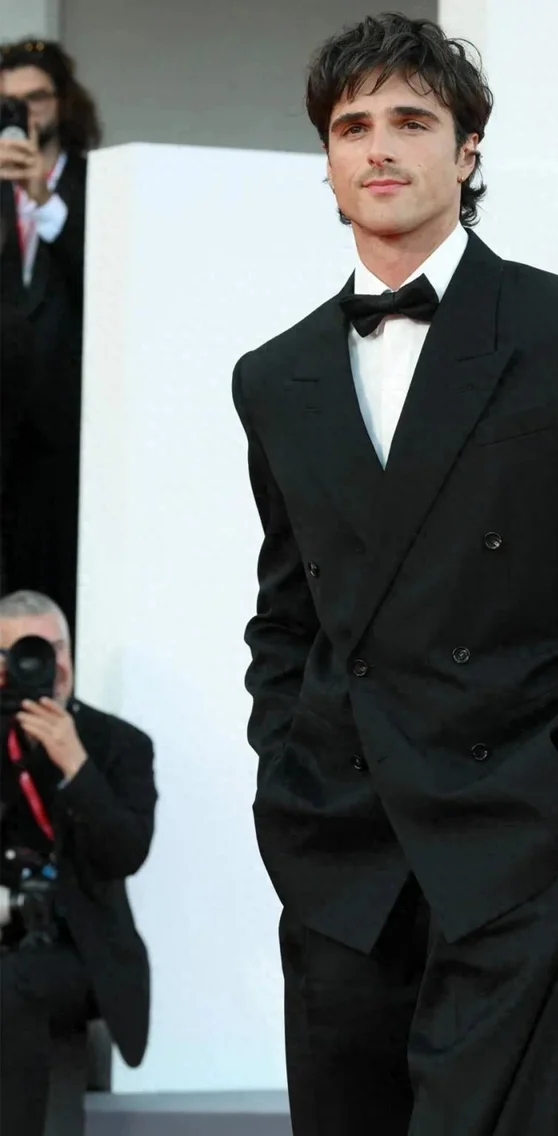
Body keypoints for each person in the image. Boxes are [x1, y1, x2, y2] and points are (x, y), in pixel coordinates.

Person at [231, 14, 558, 1136]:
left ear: (467, 147)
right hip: (338, 848)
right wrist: (284, 763)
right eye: (352, 126)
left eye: (410, 120)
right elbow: (289, 610)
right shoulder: (274, 375)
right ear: (326, 159)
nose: (380, 147)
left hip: (512, 837)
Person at [0, 590, 157, 1136]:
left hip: (86, 949)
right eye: (26, 650)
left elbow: (126, 853)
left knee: (11, 984)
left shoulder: (119, 744)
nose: (48, 664)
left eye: (55, 647)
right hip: (9, 938)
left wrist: (77, 767)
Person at [0, 39, 102, 651]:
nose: (24, 113)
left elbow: (109, 276)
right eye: (9, 103)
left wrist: (44, 200)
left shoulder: (98, 181)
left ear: (62, 101)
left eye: (35, 98)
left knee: (59, 581)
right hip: (4, 415)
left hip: (66, 424)